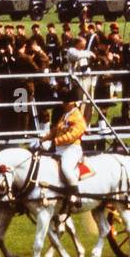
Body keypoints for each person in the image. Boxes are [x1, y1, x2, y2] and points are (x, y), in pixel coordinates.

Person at [41, 85, 87, 214]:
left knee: (66, 167)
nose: (63, 104)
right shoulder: (65, 115)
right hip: (60, 149)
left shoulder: (78, 118)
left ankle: (76, 195)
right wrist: (44, 138)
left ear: (72, 103)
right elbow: (56, 130)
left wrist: (55, 141)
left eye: (65, 102)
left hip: (72, 149)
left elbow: (72, 135)